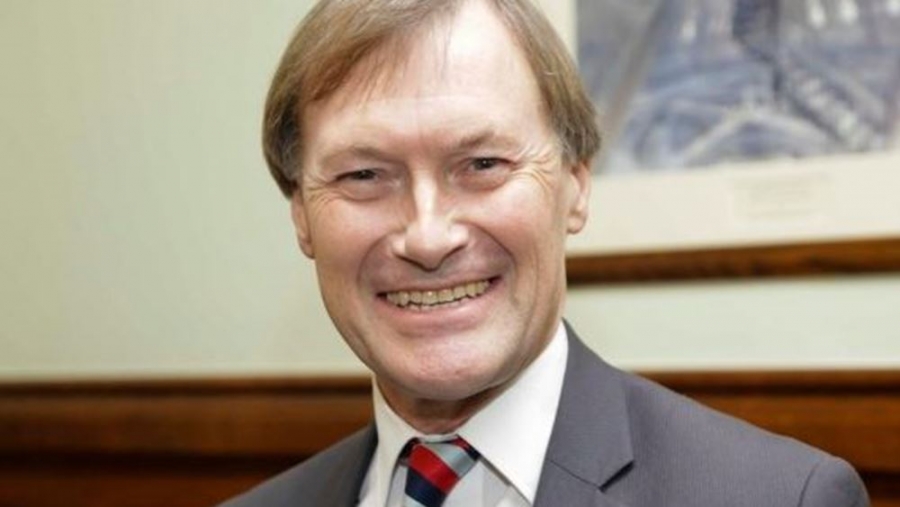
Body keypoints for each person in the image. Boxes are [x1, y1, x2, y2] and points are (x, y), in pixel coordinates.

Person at [221, 0, 869, 505]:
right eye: (363, 175)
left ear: (575, 186)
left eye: (482, 164)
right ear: (301, 216)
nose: (427, 236)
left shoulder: (779, 496)